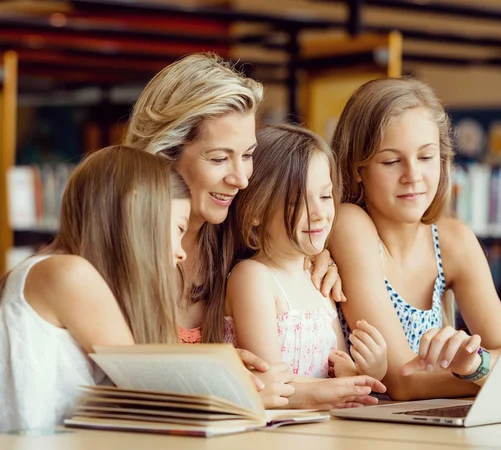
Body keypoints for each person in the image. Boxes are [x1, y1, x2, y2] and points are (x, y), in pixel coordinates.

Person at [124, 53, 382, 409]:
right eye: (218, 159)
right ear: (164, 154)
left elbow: (286, 239)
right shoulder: (125, 251)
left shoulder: (229, 230)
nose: (242, 179)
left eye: (247, 155)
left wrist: (320, 254)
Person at [328, 77, 501, 401]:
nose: (412, 175)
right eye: (391, 161)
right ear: (358, 168)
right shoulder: (350, 225)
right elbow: (402, 380)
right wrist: (480, 372)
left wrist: (481, 367)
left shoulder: (453, 239)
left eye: (426, 157)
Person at [0, 146, 191, 431]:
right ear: (137, 209)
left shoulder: (57, 271)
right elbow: (153, 390)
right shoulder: (68, 273)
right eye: (179, 229)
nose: (181, 253)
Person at [225, 124, 387, 383]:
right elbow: (271, 379)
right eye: (298, 201)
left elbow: (338, 367)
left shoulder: (317, 280)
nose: (319, 213)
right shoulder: (253, 278)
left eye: (325, 196)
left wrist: (368, 371)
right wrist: (344, 385)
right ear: (255, 211)